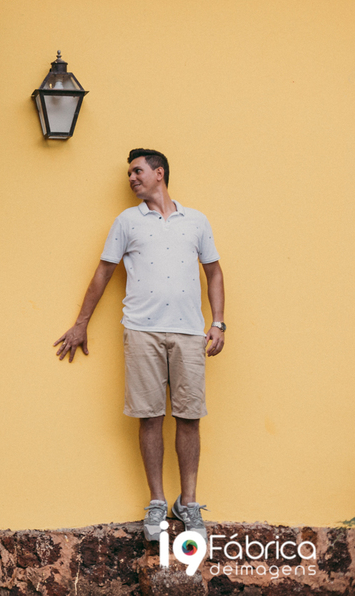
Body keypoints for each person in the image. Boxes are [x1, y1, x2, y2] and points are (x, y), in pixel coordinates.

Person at [53, 150, 225, 542]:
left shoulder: (196, 221)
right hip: (141, 331)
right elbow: (103, 273)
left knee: (188, 416)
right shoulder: (127, 221)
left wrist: (217, 323)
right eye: (130, 173)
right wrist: (81, 324)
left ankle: (190, 502)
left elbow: (214, 273)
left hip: (188, 332)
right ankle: (158, 502)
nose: (131, 178)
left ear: (159, 173)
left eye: (137, 171)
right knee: (149, 416)